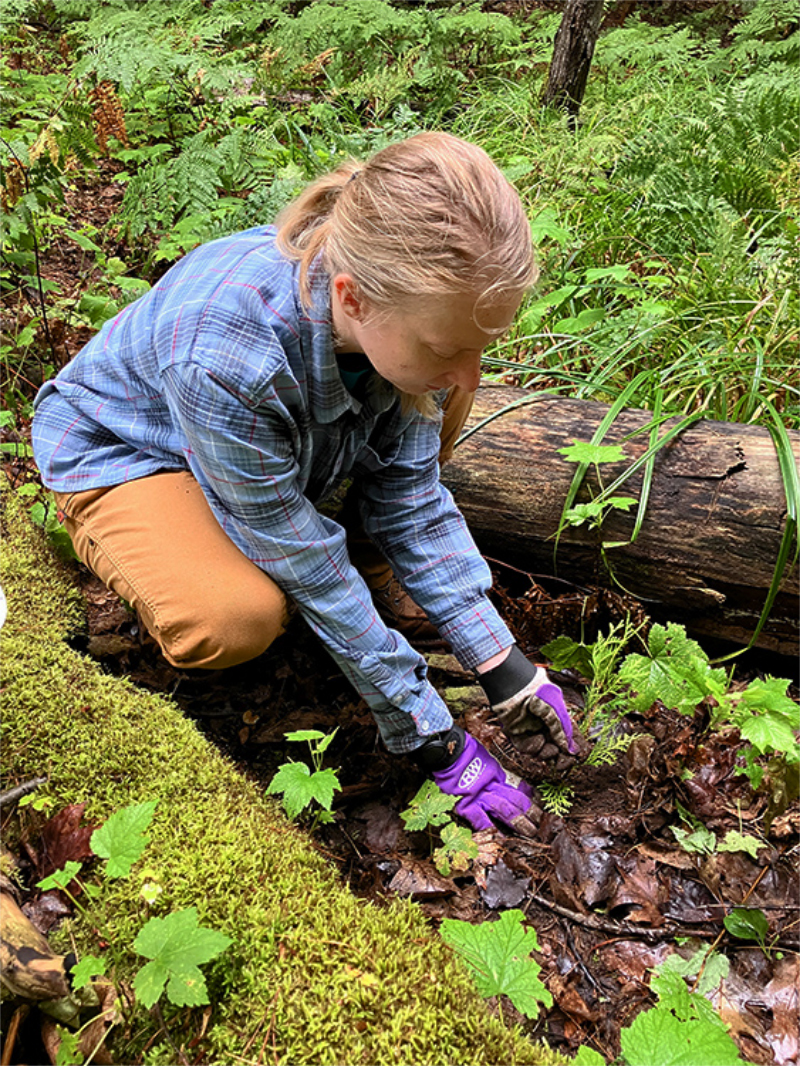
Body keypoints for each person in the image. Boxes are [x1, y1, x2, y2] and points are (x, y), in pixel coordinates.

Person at [32, 131, 579, 835]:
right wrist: (434, 739)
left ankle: (357, 562)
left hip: (263, 452)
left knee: (435, 397)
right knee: (235, 617)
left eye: (483, 348)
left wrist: (503, 664)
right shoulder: (229, 355)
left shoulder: (395, 309)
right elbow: (313, 569)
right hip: (130, 450)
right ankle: (180, 544)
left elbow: (412, 500)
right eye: (449, 348)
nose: (471, 374)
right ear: (353, 298)